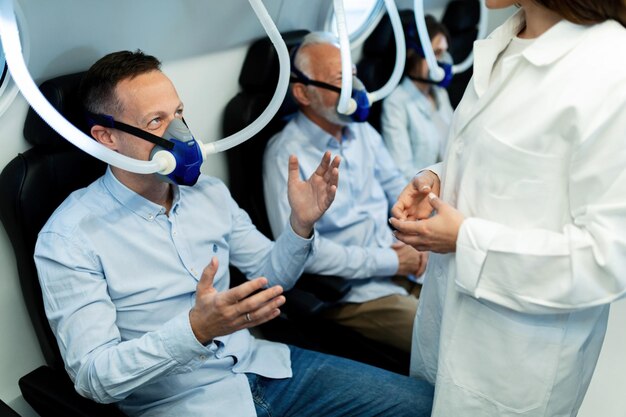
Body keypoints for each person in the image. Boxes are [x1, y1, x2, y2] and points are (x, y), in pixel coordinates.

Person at [34, 50, 434, 417]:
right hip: (186, 403)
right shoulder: (70, 236)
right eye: (156, 121)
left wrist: (300, 226)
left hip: (263, 365)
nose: (180, 132)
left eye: (178, 113)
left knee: (429, 406)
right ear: (107, 137)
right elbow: (94, 378)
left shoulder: (208, 192)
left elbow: (271, 275)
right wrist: (195, 330)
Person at [389, 1, 626, 416]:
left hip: (513, 368)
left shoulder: (611, 69)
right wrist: (442, 177)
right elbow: (523, 169)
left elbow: (609, 259)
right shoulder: (505, 43)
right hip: (445, 330)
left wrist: (466, 240)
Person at [263, 32, 428, 354]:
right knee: (442, 341)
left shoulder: (362, 132)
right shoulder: (287, 155)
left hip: (404, 261)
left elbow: (396, 186)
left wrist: (420, 235)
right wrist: (390, 262)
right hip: (352, 293)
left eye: (353, 75)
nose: (356, 88)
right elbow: (299, 251)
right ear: (303, 93)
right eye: (341, 79)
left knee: (472, 314)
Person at [380, 15, 454, 181]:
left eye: (445, 53)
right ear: (413, 53)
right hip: (425, 192)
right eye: (437, 53)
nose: (443, 62)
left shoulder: (440, 93)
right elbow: (403, 170)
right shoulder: (396, 103)